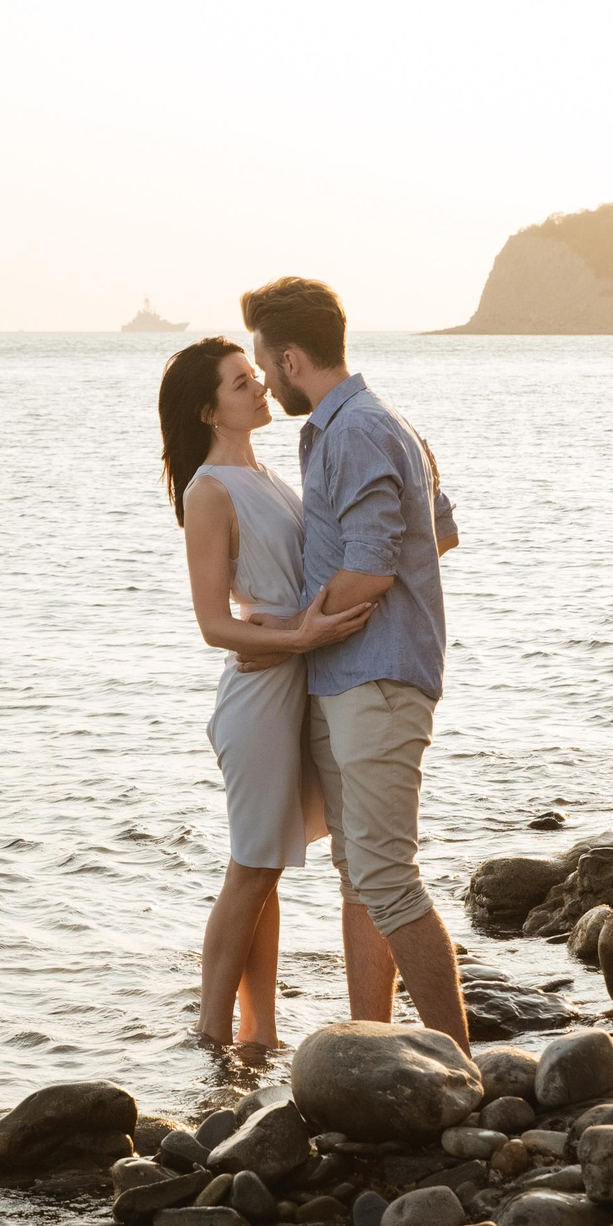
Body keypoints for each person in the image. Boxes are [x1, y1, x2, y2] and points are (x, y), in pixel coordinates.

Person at [238, 277, 469, 1051]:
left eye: (266, 365)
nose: (264, 379)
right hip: (345, 677)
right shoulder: (358, 426)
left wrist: (292, 627)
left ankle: (456, 1066)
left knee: (387, 879)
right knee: (359, 876)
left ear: (292, 356)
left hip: (376, 679)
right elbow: (434, 537)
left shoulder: (357, 430)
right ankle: (373, 1049)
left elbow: (372, 566)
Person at [157, 337, 375, 1048]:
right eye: (240, 384)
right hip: (258, 697)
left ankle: (259, 1033)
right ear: (207, 409)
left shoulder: (271, 476)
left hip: (293, 682)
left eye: (254, 377)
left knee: (266, 865)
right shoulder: (210, 491)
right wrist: (296, 640)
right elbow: (213, 623)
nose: (259, 390)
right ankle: (210, 1034)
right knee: (251, 865)